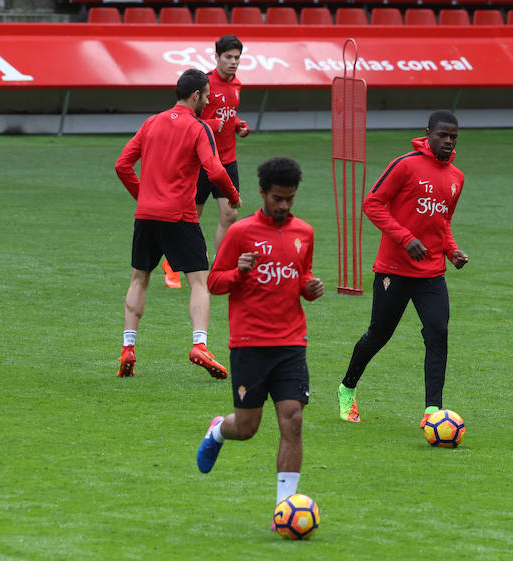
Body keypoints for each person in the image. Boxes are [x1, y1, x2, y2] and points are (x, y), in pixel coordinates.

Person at [196, 157, 324, 523]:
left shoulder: (304, 233)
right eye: (277, 199)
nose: (284, 206)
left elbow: (302, 278)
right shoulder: (240, 233)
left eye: (290, 199)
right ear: (263, 193)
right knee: (248, 427)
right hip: (249, 343)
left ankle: (285, 508)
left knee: (293, 420)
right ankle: (219, 431)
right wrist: (238, 272)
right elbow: (214, 282)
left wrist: (310, 288)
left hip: (290, 343)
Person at [336, 110, 469, 427]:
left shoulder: (456, 178)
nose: (448, 141)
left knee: (438, 335)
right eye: (443, 135)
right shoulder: (405, 165)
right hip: (394, 271)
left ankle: (431, 411)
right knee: (378, 336)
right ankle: (347, 387)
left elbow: (442, 222)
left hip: (432, 273)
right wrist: (405, 238)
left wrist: (451, 251)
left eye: (453, 137)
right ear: (428, 133)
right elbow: (373, 203)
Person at [114, 68, 242, 379]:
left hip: (146, 216)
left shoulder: (152, 122)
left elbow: (122, 165)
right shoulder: (199, 129)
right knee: (198, 281)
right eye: (207, 96)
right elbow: (214, 170)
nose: (209, 101)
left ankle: (128, 348)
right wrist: (233, 195)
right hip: (180, 216)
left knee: (138, 279)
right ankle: (200, 344)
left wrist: (143, 196)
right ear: (196, 95)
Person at [162, 35, 250, 289]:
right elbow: (185, 115)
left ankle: (219, 266)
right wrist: (210, 125)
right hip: (202, 160)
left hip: (228, 160)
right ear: (217, 58)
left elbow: (228, 116)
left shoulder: (237, 85)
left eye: (237, 58)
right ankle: (172, 264)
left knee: (230, 213)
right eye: (228, 57)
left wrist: (238, 125)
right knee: (192, 215)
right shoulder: (204, 83)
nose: (233, 62)